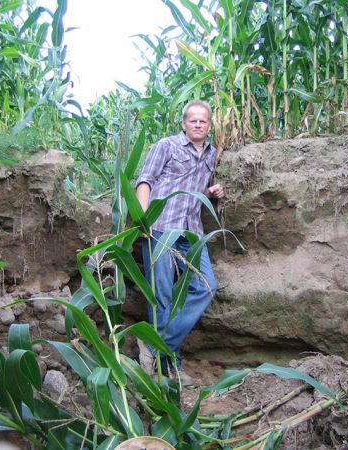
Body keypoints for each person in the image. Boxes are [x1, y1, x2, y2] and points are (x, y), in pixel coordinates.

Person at [135, 100, 224, 385]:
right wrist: (143, 219)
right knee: (161, 296)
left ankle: (152, 348)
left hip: (191, 232)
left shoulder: (211, 154)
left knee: (206, 286)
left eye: (203, 120)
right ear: (184, 124)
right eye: (193, 120)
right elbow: (145, 181)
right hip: (161, 227)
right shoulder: (167, 146)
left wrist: (210, 192)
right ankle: (169, 367)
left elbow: (192, 188)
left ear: (209, 125)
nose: (198, 124)